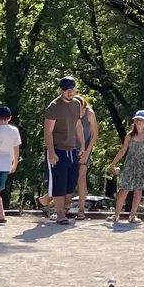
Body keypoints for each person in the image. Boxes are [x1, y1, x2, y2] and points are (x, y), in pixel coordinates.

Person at [42, 78, 91, 225]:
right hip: (57, 149)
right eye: (66, 89)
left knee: (70, 184)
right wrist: (51, 152)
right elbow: (48, 131)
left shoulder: (77, 104)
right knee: (59, 183)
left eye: (71, 89)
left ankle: (59, 206)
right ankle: (60, 214)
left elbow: (77, 125)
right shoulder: (54, 107)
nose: (69, 92)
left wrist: (82, 144)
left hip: (72, 149)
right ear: (60, 90)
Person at [111, 111, 144, 224]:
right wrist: (113, 163)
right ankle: (116, 214)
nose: (138, 121)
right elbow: (123, 150)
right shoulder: (130, 135)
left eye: (141, 119)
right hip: (130, 164)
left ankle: (133, 216)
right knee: (124, 190)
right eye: (137, 119)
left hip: (143, 165)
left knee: (138, 191)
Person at [73, 87, 101, 218]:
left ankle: (81, 209)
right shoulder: (69, 111)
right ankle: (62, 207)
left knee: (82, 177)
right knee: (68, 177)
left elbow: (95, 134)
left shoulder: (89, 113)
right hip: (69, 146)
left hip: (86, 146)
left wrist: (87, 152)